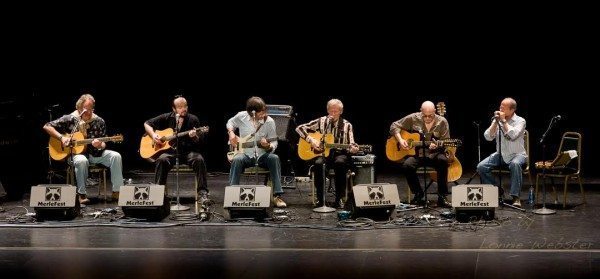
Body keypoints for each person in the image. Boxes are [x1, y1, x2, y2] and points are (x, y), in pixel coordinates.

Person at [43, 93, 124, 204]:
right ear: (79, 108)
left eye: (91, 109)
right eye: (86, 110)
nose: (89, 112)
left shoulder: (99, 121)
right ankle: (81, 194)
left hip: (95, 154)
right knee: (81, 160)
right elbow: (47, 126)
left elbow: (104, 143)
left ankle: (117, 192)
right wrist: (62, 138)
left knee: (116, 156)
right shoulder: (70, 119)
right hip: (75, 155)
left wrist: (100, 145)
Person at [144, 96, 210, 202]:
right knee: (161, 159)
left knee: (199, 159)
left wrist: (194, 136)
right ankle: (158, 193)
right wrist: (153, 135)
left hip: (188, 153)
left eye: (185, 106)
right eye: (180, 107)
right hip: (170, 153)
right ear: (174, 109)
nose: (183, 109)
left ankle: (202, 193)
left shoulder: (193, 119)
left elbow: (199, 142)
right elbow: (147, 123)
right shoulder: (167, 117)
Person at [296, 99, 359, 209]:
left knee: (340, 162)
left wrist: (353, 149)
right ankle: (321, 200)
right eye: (331, 111)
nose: (333, 114)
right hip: (323, 154)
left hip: (340, 153)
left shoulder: (347, 125)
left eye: (336, 111)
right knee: (319, 164)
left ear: (341, 111)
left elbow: (351, 143)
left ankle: (339, 198)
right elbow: (299, 128)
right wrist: (312, 140)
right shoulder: (321, 121)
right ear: (327, 110)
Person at [226, 96, 287, 208]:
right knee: (237, 160)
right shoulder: (241, 116)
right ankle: (233, 195)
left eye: (264, 110)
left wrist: (268, 146)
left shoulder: (269, 122)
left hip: (262, 155)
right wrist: (231, 133)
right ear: (252, 112)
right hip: (245, 154)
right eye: (261, 112)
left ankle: (277, 196)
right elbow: (230, 122)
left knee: (274, 158)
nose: (264, 114)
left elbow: (274, 143)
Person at [390, 101, 451, 207]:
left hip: (434, 154)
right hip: (417, 154)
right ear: (420, 111)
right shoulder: (413, 118)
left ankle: (442, 196)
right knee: (407, 165)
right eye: (425, 116)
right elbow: (394, 126)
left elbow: (446, 141)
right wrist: (400, 140)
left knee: (443, 161)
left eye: (430, 116)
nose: (427, 118)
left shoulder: (442, 121)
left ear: (435, 112)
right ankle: (418, 193)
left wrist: (437, 146)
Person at [477, 97, 526, 207]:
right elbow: (488, 137)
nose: (500, 109)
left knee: (515, 164)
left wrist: (503, 121)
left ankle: (515, 197)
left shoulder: (520, 121)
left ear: (512, 110)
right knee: (481, 167)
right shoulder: (497, 120)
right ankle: (498, 191)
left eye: (503, 108)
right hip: (501, 154)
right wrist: (495, 123)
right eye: (500, 107)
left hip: (517, 154)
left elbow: (513, 135)